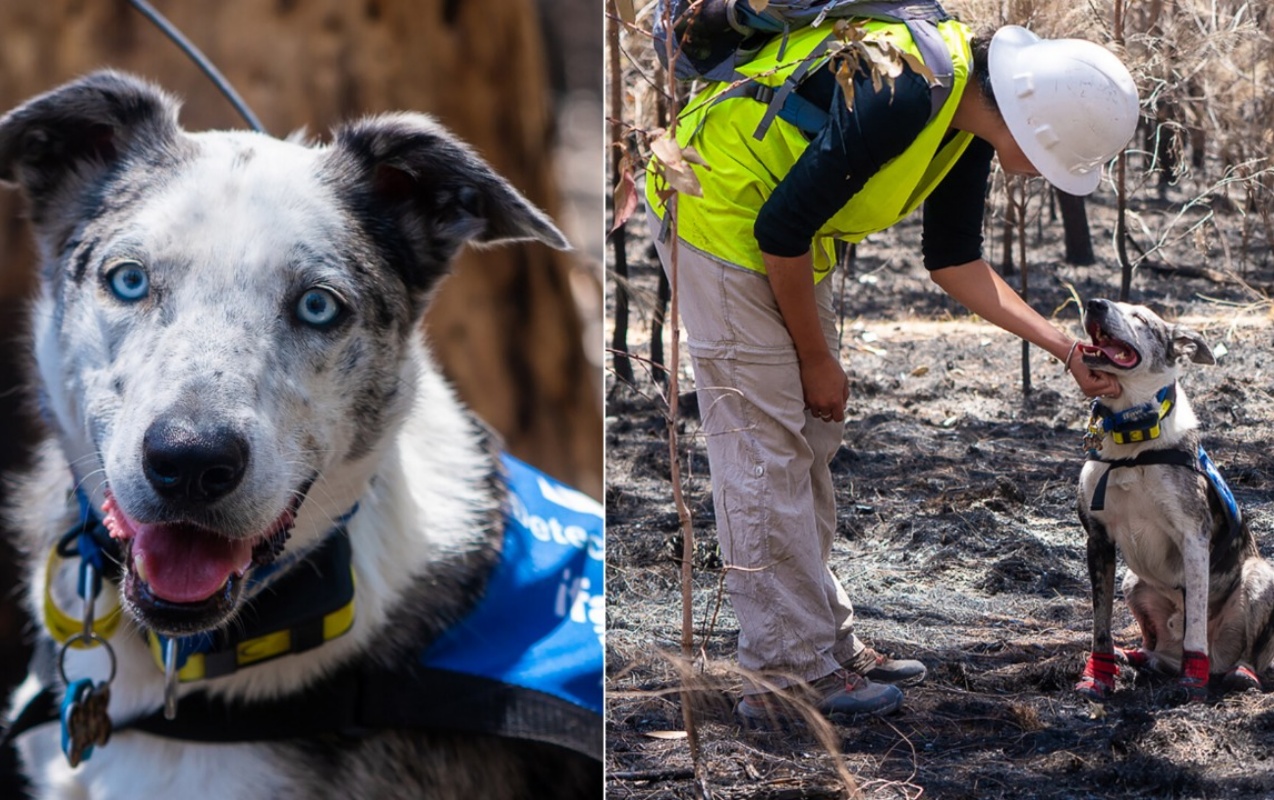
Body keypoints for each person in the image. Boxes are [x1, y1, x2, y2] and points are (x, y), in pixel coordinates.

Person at [644, 10, 1139, 723]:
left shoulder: (965, 111)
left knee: (805, 442)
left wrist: (1065, 348)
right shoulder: (907, 91)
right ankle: (787, 674)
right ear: (1037, 130)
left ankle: (824, 644)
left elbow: (955, 262)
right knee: (762, 447)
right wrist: (817, 360)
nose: (1052, 177)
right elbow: (778, 231)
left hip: (774, 231)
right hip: (717, 215)